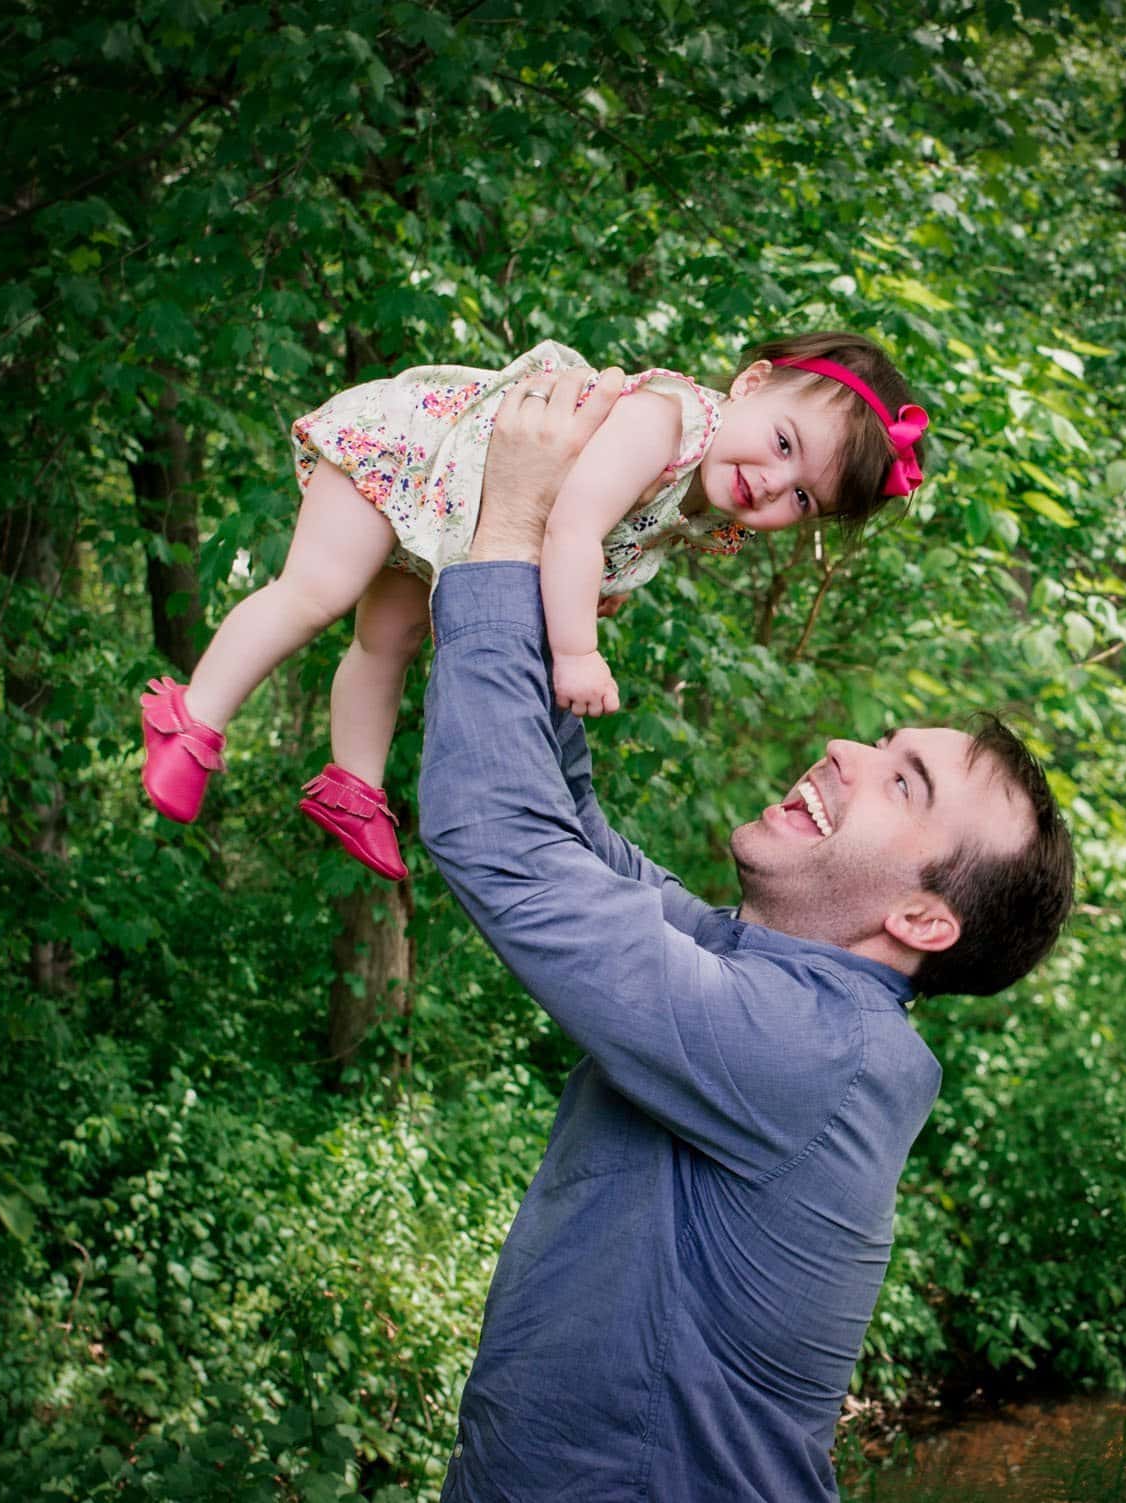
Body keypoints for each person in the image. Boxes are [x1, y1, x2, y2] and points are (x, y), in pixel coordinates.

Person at [418, 367, 1075, 1502]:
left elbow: (504, 845)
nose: (843, 752)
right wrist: (540, 584)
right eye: (883, 743)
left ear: (922, 917)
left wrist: (508, 526)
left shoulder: (810, 1053)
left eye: (902, 782)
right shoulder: (754, 974)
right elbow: (567, 835)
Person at [136, 332, 927, 883]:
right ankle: (193, 714)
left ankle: (353, 782)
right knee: (316, 591)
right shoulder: (671, 417)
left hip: (453, 518)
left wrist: (598, 592)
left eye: (802, 498)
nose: (773, 483)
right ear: (750, 384)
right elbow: (575, 520)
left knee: (391, 640)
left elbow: (603, 545)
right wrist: (576, 650)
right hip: (416, 452)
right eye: (784, 444)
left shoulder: (705, 504)